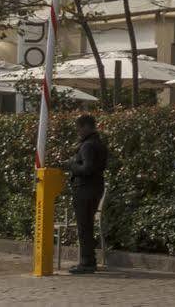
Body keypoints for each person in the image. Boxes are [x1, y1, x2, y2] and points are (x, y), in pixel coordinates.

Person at [65, 113, 108, 274]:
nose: (78, 132)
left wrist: (71, 165)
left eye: (79, 128)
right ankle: (89, 260)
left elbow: (87, 168)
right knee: (87, 226)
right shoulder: (99, 143)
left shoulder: (87, 145)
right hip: (95, 187)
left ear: (86, 127)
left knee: (84, 227)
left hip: (84, 188)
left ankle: (86, 262)